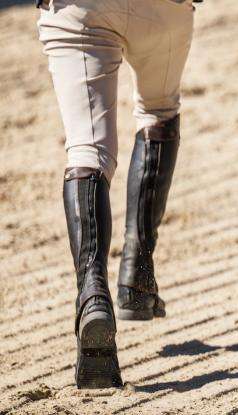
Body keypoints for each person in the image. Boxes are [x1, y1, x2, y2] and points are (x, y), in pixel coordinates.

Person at [36, 0, 198, 388]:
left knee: (87, 148)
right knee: (159, 111)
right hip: (162, 12)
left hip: (77, 9)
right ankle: (137, 274)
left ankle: (93, 294)